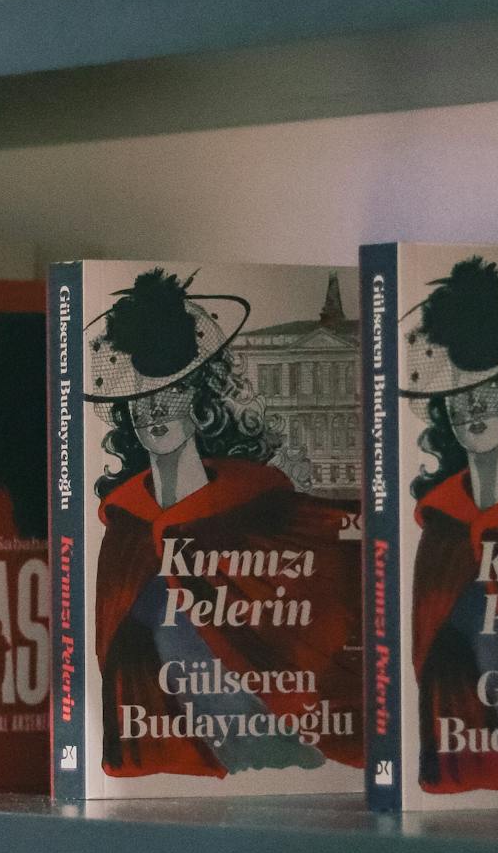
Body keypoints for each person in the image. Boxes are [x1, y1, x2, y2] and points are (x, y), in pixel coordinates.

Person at [84, 268, 362, 780]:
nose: (155, 409)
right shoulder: (125, 532)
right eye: (141, 396)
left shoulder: (262, 511)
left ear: (200, 400)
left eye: (172, 389)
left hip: (282, 766)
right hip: (174, 769)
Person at [405, 257, 498, 797]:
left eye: (490, 386)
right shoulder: (441, 533)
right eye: (459, 391)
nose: (473, 406)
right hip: (473, 772)